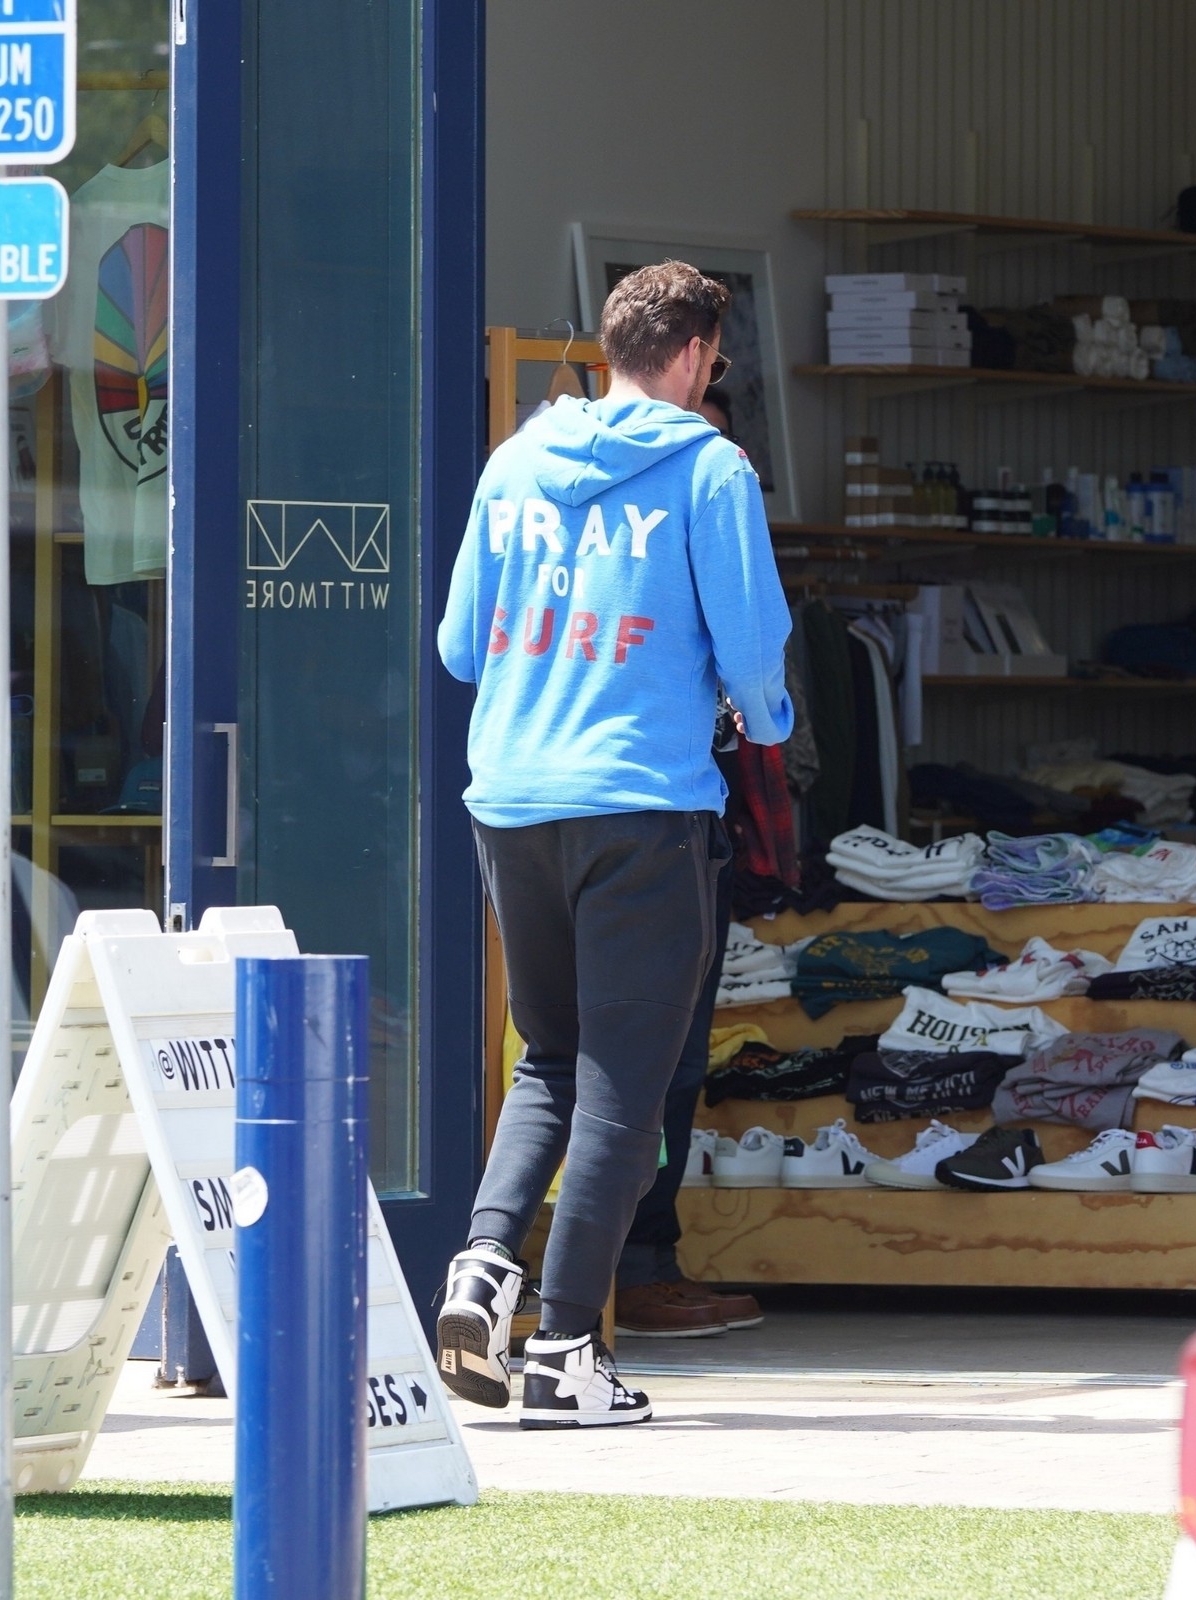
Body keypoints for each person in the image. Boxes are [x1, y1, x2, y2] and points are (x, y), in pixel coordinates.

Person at [432, 262, 792, 1426]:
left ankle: (483, 1267)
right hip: (642, 806)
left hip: (512, 801)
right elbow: (754, 653)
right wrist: (766, 721)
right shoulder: (710, 469)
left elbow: (459, 646)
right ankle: (564, 1352)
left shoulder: (515, 462)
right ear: (692, 356)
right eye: (714, 360)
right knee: (625, 1086)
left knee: (550, 1057)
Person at [610, 377, 764, 1341]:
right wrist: (766, 712)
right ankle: (624, 1268)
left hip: (587, 808)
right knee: (639, 1056)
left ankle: (626, 1261)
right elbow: (759, 681)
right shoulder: (656, 532)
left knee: (646, 1056)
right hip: (650, 810)